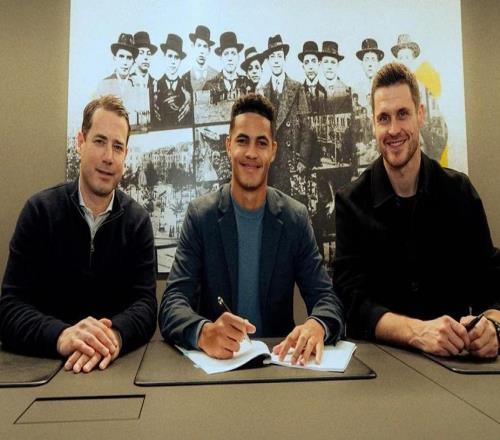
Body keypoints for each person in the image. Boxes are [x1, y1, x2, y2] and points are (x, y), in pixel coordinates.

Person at [159, 93, 343, 364]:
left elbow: (327, 297)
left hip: (277, 364)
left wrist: (318, 324)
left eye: (262, 143)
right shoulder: (201, 216)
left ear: (273, 151)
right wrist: (203, 332)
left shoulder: (295, 218)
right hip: (217, 366)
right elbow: (172, 302)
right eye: (242, 141)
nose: (251, 153)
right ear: (228, 145)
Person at [334, 62, 500, 358]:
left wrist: (493, 326)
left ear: (420, 115)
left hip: (456, 366)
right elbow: (352, 304)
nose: (393, 129)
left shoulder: (460, 193)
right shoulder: (351, 203)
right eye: (383, 118)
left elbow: (492, 285)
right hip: (382, 367)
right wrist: (417, 332)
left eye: (403, 114)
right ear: (372, 124)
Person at [0, 95, 157, 372]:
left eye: (117, 147)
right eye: (99, 141)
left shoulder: (138, 222)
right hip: (44, 368)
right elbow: (10, 308)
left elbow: (145, 306)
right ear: (80, 142)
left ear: (125, 155)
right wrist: (61, 335)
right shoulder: (39, 212)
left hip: (113, 370)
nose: (108, 157)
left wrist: (114, 336)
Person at [262, 34, 313, 198]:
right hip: (270, 165)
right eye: (272, 57)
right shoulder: (262, 92)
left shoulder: (296, 88)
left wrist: (303, 160)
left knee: (293, 206)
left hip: (292, 161)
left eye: (279, 56)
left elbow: (306, 127)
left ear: (284, 59)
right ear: (268, 61)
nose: (276, 61)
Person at [151, 33, 192, 129]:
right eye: (170, 56)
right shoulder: (155, 86)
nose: (173, 61)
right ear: (164, 56)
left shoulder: (187, 86)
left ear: (180, 60)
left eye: (176, 57)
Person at [203, 31, 250, 104]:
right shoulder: (210, 86)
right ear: (221, 58)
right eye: (226, 54)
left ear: (238, 57)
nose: (230, 58)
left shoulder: (246, 83)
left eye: (233, 53)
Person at [130, 31, 158, 128]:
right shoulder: (128, 82)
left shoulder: (156, 84)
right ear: (134, 57)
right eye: (141, 53)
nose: (146, 57)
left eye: (148, 54)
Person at [181, 25, 218, 92]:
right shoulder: (185, 79)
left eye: (205, 46)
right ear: (193, 47)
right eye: (199, 45)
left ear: (209, 50)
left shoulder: (216, 76)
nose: (201, 51)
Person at [298, 41, 327, 115]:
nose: (310, 67)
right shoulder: (298, 93)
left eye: (313, 62)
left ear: (319, 64)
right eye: (307, 62)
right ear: (303, 66)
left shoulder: (325, 91)